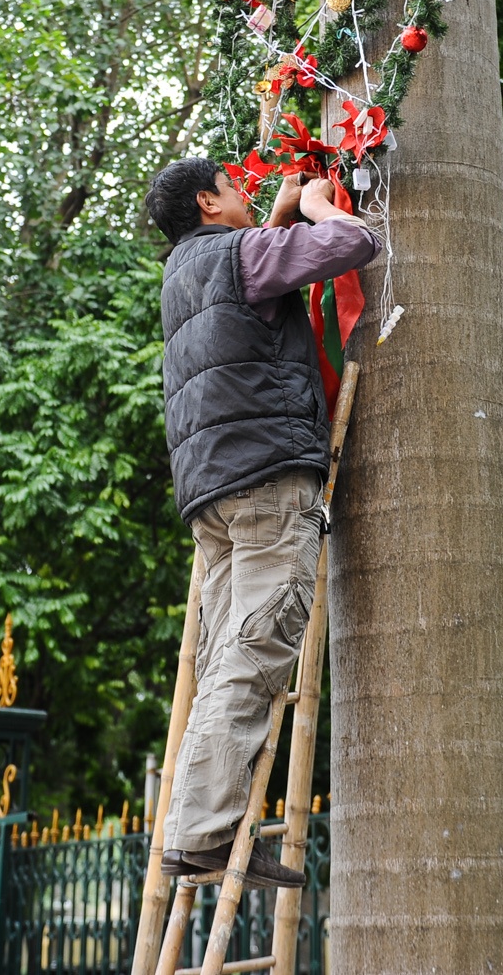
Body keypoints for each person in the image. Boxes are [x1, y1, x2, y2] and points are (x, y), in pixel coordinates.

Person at [142, 156, 380, 888]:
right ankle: (202, 835)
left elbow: (249, 291)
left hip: (212, 490)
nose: (250, 196)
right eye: (237, 187)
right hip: (267, 477)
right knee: (255, 646)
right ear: (210, 202)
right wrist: (315, 203)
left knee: (222, 659)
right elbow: (356, 244)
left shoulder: (184, 271)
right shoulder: (239, 253)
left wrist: (275, 214)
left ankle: (192, 828)